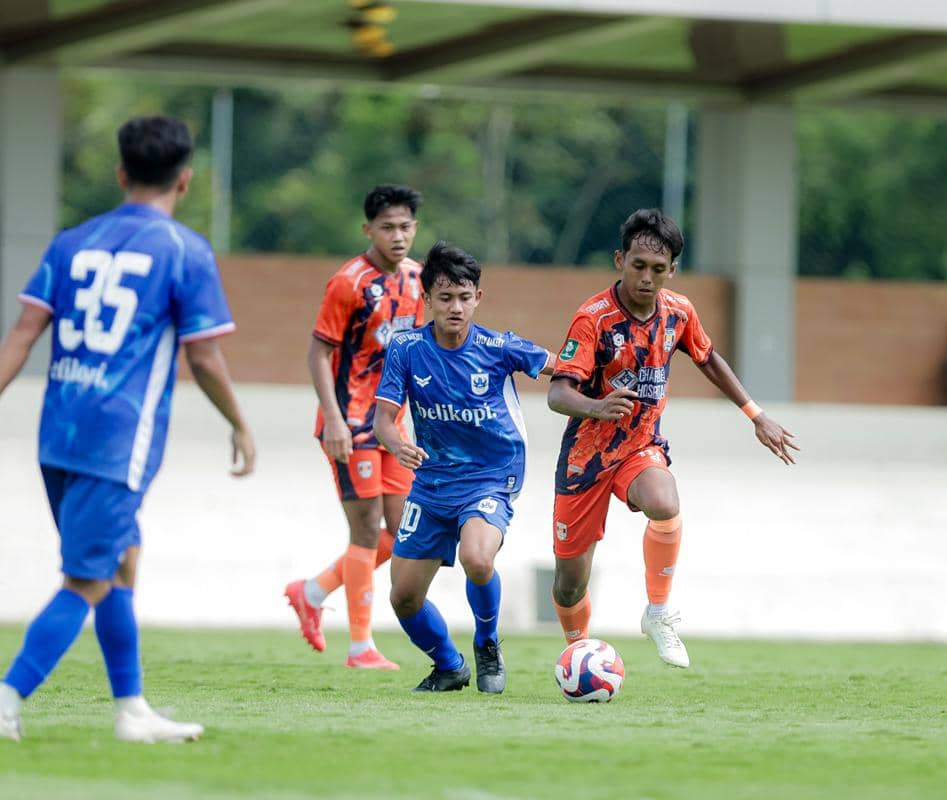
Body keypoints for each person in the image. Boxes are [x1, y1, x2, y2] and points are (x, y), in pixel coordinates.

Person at [0, 116, 255, 743]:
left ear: (120, 173)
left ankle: (131, 710)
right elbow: (203, 357)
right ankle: (8, 695)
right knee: (87, 579)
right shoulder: (183, 251)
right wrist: (241, 425)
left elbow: (23, 335)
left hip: (57, 433)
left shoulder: (70, 242)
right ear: (185, 180)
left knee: (120, 563)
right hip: (119, 441)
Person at [546, 209, 798, 669]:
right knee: (569, 584)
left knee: (664, 501)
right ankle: (578, 653)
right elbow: (558, 393)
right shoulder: (593, 318)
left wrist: (756, 415)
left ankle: (658, 613)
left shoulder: (679, 311)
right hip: (586, 459)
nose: (646, 277)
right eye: (638, 265)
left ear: (672, 270)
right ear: (620, 259)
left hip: (640, 446)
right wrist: (597, 406)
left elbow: (708, 357)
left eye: (658, 269)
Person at [374, 241, 554, 693]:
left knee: (477, 557)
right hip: (431, 484)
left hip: (492, 476)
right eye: (445, 297)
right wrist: (397, 445)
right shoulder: (406, 349)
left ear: (478, 298)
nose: (456, 306)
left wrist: (601, 383)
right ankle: (449, 666)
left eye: (465, 296)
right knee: (403, 597)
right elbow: (383, 420)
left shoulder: (499, 346)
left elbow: (563, 366)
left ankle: (487, 642)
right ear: (427, 299)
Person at [284, 185, 425, 670]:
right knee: (365, 533)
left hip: (391, 426)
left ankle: (313, 590)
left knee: (406, 532)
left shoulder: (418, 281)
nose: (398, 235)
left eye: (405, 226)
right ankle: (361, 647)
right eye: (388, 227)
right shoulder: (348, 282)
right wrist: (335, 419)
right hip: (350, 423)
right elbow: (318, 352)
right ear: (369, 230)